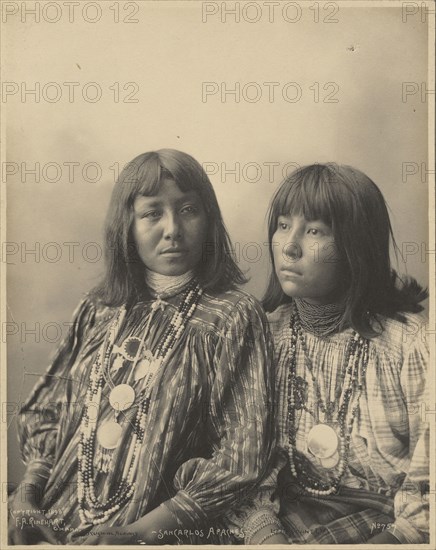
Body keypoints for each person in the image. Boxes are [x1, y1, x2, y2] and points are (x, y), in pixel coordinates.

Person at [8, 149, 274, 545]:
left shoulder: (232, 316)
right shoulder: (99, 308)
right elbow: (47, 410)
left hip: (159, 527)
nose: (173, 229)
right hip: (52, 512)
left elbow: (242, 458)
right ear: (126, 227)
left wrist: (136, 533)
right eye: (152, 213)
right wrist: (26, 495)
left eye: (188, 210)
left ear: (210, 219)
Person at [226, 163, 429, 545]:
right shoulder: (266, 335)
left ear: (357, 246)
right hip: (280, 515)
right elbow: (243, 466)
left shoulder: (409, 344)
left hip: (384, 522)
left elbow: (428, 488)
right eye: (283, 225)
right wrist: (268, 538)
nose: (289, 245)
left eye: (315, 231)